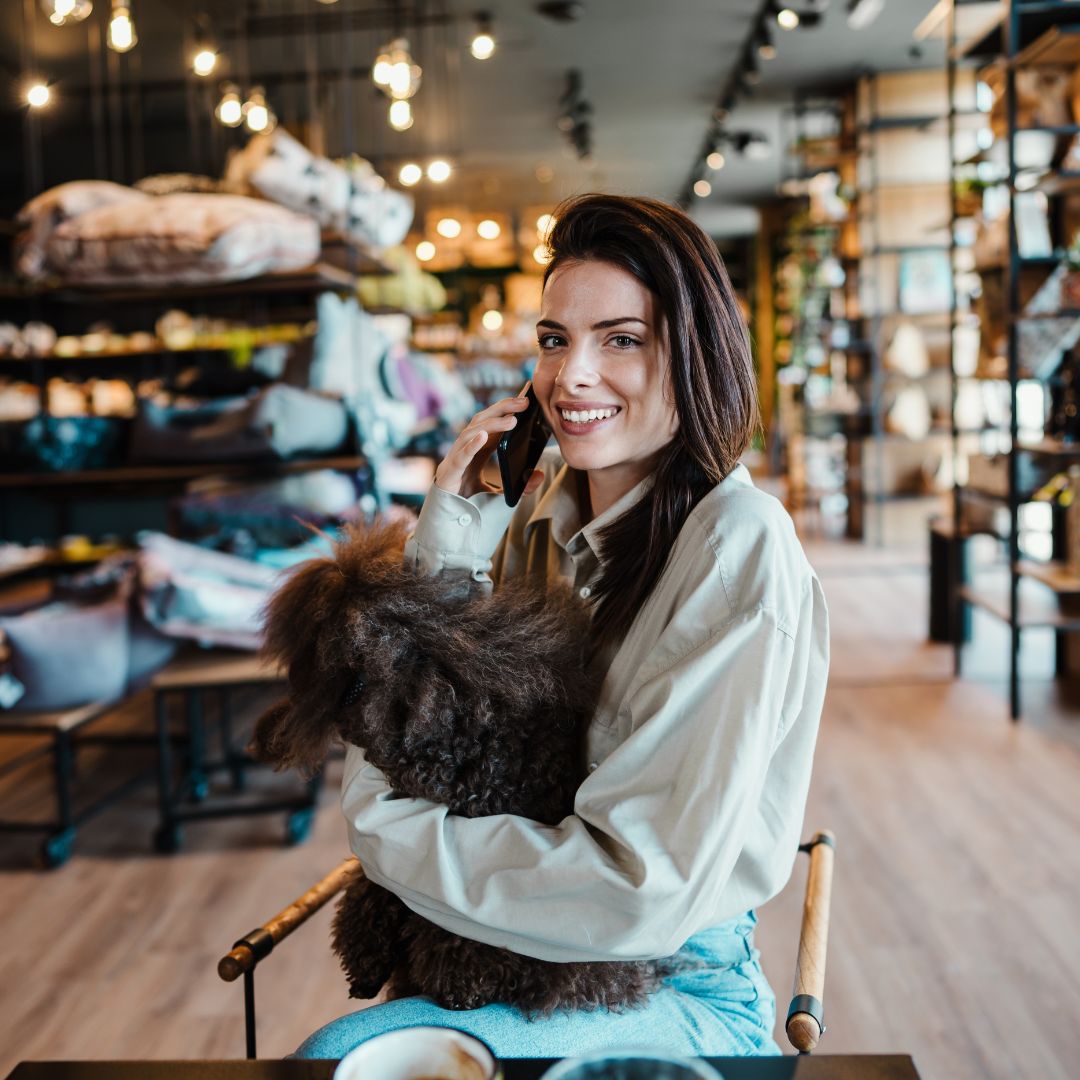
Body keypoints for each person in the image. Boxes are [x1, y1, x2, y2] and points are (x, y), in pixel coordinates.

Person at [295, 194, 829, 1059]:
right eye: (554, 340)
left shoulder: (737, 550)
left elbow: (636, 893)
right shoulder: (539, 517)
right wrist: (449, 539)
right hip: (519, 950)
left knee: (339, 1056)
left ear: (692, 356)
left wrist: (387, 835)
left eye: (621, 339)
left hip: (674, 975)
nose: (571, 376)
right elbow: (430, 735)